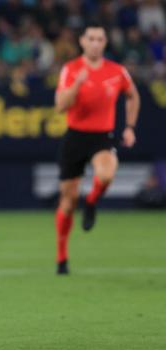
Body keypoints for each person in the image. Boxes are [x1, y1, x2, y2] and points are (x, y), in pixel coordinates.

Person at [54, 22, 140, 275]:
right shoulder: (71, 69)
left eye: (100, 39)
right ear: (82, 41)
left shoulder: (116, 71)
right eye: (90, 38)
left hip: (103, 137)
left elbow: (133, 95)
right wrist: (77, 85)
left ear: (105, 42)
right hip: (75, 138)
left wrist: (130, 127)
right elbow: (60, 105)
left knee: (106, 175)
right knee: (68, 202)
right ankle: (62, 257)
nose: (95, 43)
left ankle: (91, 202)